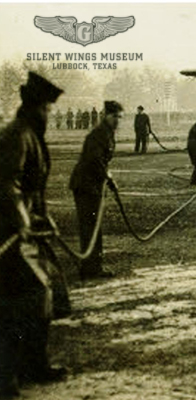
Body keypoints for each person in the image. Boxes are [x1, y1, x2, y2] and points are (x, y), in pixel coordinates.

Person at [0, 72, 69, 398]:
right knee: (22, 301)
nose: (49, 115)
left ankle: (33, 366)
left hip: (29, 231)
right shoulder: (18, 136)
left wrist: (42, 218)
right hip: (10, 233)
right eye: (47, 109)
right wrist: (23, 218)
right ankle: (7, 375)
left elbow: (33, 190)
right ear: (34, 108)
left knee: (44, 296)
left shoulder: (31, 135)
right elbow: (7, 184)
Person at [69, 101, 122, 280]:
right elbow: (95, 160)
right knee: (90, 227)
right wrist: (108, 177)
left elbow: (102, 162)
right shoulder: (98, 134)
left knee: (94, 226)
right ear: (105, 115)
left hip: (93, 185)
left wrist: (106, 177)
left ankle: (92, 266)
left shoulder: (107, 133)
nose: (117, 121)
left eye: (119, 117)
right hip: (85, 185)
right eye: (114, 116)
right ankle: (90, 269)